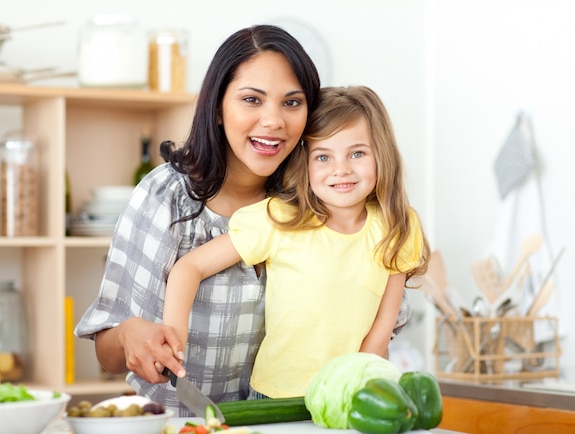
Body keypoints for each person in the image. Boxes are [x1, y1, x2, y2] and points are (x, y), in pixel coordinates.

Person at [74, 26, 411, 416]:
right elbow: (108, 354)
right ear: (217, 108)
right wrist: (132, 334)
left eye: (292, 102)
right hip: (178, 422)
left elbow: (374, 324)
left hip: (289, 421)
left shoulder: (319, 205)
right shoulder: (166, 198)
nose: (273, 121)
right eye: (252, 99)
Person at [163, 85, 431, 399]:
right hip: (276, 395)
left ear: (381, 154)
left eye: (357, 153)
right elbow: (190, 266)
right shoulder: (279, 219)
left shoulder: (397, 225)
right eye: (323, 156)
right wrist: (174, 336)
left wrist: (357, 384)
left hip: (350, 395)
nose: (341, 169)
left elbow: (383, 327)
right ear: (304, 162)